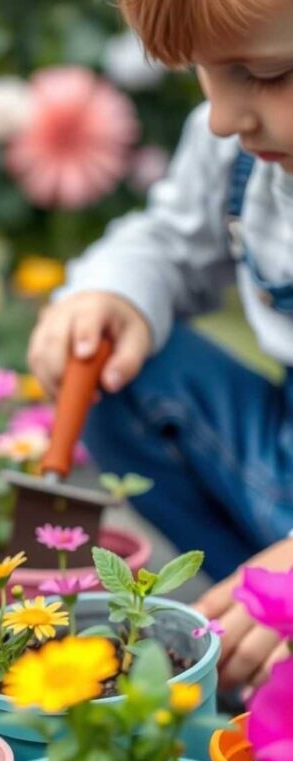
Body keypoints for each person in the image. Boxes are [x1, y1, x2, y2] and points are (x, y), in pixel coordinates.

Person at [28, 0, 293, 693]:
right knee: (127, 374)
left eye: (268, 72)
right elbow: (166, 241)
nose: (224, 117)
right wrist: (112, 296)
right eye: (209, 75)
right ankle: (259, 614)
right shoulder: (238, 151)